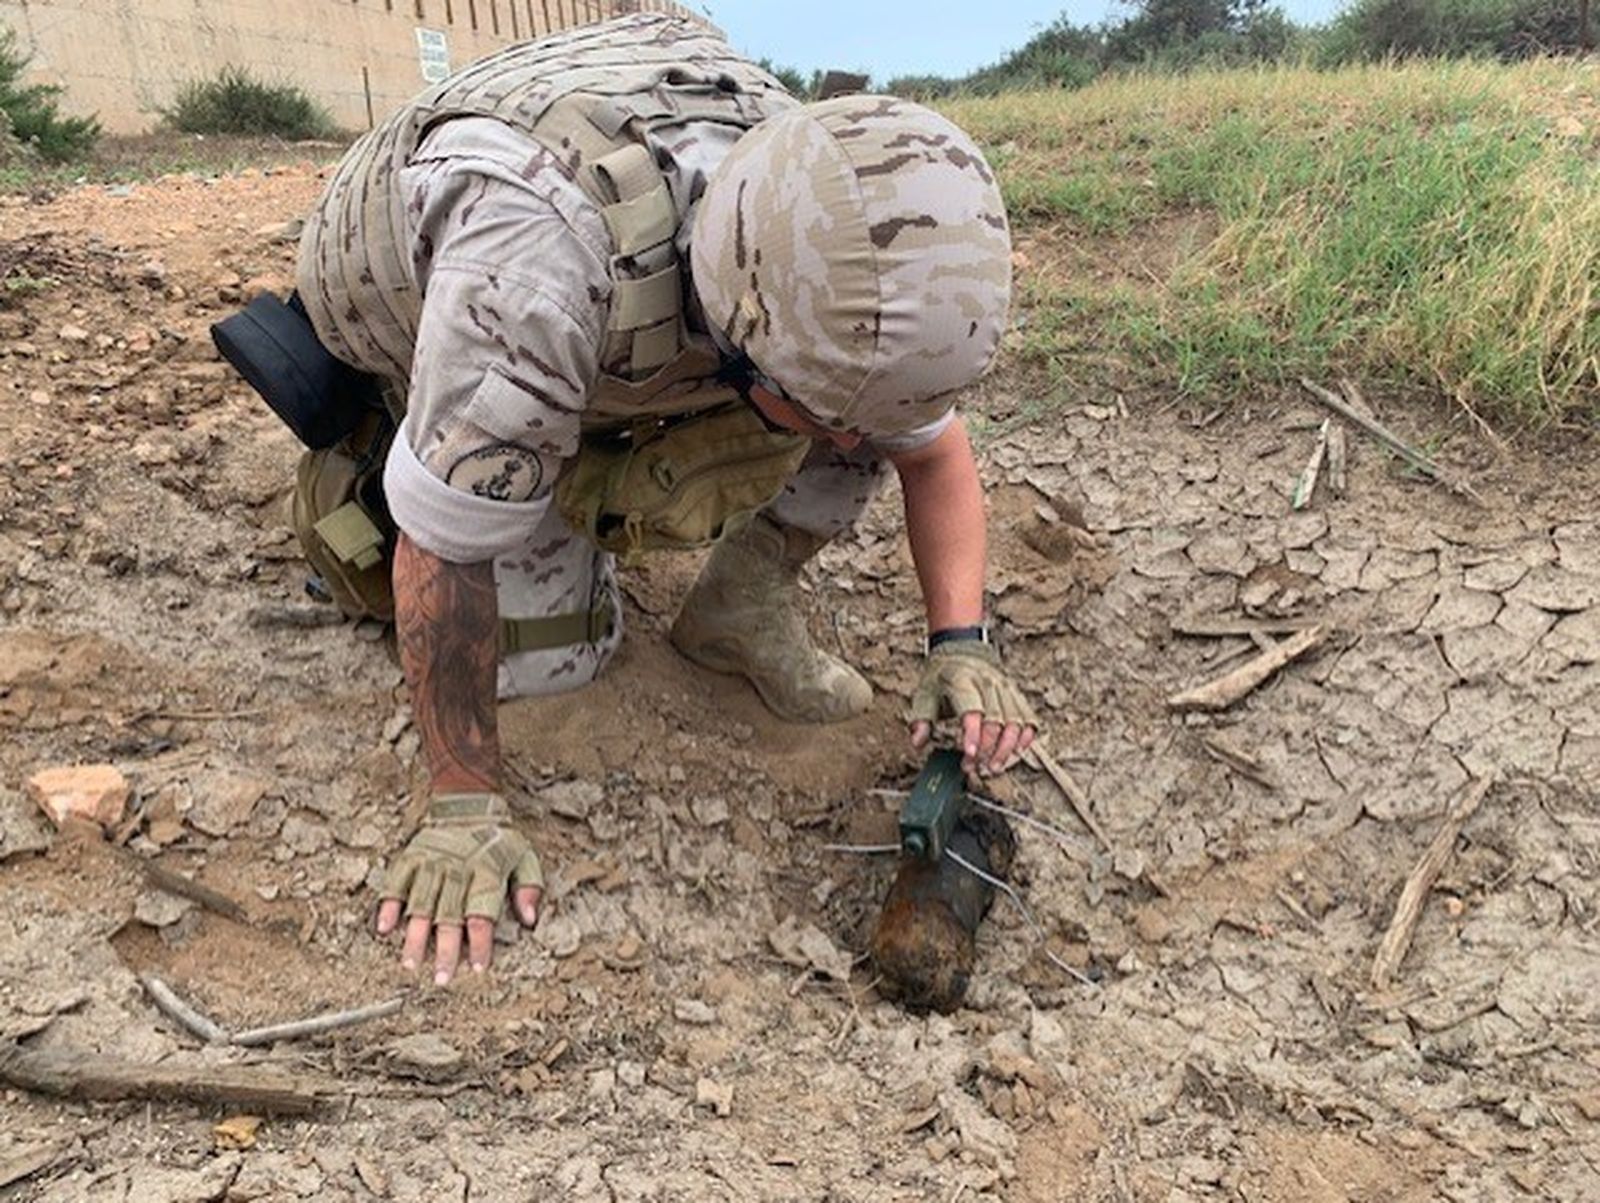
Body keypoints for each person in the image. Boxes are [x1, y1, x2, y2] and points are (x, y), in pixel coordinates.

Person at [242, 12, 1038, 985]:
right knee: (549, 660)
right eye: (825, 408)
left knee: (851, 416)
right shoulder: (531, 275)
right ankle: (389, 449)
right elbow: (444, 550)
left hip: (649, 318)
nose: (846, 440)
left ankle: (734, 608)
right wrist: (461, 808)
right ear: (739, 326)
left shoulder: (844, 236)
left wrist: (961, 646)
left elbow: (928, 448)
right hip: (405, 296)